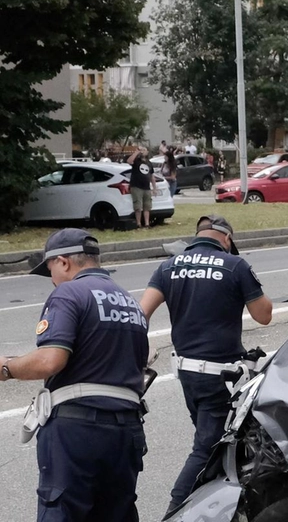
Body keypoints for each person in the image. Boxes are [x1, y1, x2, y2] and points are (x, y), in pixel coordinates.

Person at [2, 229, 149, 522]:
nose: (52, 279)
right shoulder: (128, 300)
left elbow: (50, 360)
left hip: (78, 431)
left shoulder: (69, 292)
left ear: (64, 262)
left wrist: (7, 368)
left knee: (62, 511)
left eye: (51, 270)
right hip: (126, 432)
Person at [141, 215, 273, 518]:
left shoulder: (168, 266)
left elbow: (141, 312)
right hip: (221, 377)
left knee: (214, 443)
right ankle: (175, 511)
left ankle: (214, 507)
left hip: (187, 373)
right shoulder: (235, 266)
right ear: (226, 239)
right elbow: (263, 315)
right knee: (207, 449)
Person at [127, 148, 157, 228]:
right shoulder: (136, 161)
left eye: (144, 149)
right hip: (136, 186)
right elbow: (129, 161)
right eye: (141, 149)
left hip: (146, 187)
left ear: (147, 152)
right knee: (138, 206)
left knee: (147, 206)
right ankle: (138, 223)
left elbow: (152, 176)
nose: (142, 151)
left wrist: (154, 188)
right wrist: (136, 153)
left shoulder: (149, 163)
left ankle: (147, 224)